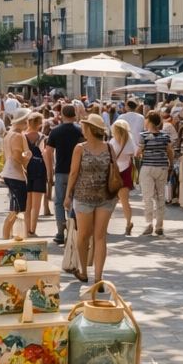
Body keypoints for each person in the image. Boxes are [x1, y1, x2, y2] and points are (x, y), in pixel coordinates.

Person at [65, 113, 117, 284]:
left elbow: (73, 173)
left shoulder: (80, 148)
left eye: (84, 127)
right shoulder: (109, 148)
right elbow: (114, 171)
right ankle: (98, 277)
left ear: (89, 129)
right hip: (106, 197)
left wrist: (67, 195)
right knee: (100, 237)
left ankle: (84, 271)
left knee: (83, 236)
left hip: (83, 196)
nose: (82, 129)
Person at [45, 104, 84, 244]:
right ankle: (73, 228)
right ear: (74, 114)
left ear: (61, 114)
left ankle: (61, 231)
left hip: (61, 169)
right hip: (78, 170)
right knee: (75, 201)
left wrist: (49, 170)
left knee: (59, 202)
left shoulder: (55, 132)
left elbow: (48, 151)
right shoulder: (81, 131)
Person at [138, 111, 174, 236]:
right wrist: (171, 164)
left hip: (147, 167)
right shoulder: (165, 136)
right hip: (162, 167)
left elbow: (139, 152)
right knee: (160, 196)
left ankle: (149, 224)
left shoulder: (143, 135)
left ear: (149, 121)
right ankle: (159, 224)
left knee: (147, 196)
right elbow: (169, 151)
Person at [1, 108, 33, 238]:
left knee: (15, 208)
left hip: (10, 172)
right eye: (26, 122)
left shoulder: (9, 134)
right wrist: (26, 161)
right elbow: (17, 155)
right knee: (16, 209)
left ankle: (7, 234)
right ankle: (6, 235)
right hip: (15, 174)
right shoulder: (18, 136)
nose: (27, 125)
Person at [110, 119, 138, 236]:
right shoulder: (130, 139)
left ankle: (104, 224)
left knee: (110, 200)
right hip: (126, 169)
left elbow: (110, 157)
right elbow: (134, 153)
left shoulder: (113, 141)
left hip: (114, 172)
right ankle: (128, 223)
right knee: (125, 201)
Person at [24, 111, 48, 236]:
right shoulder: (42, 137)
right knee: (36, 204)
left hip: (26, 169)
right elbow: (44, 152)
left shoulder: (23, 136)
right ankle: (33, 229)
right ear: (39, 123)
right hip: (40, 169)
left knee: (28, 203)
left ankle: (26, 229)